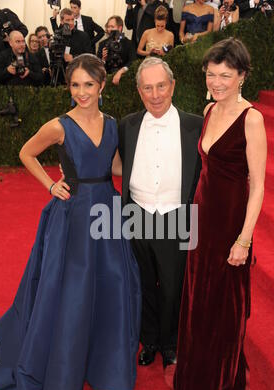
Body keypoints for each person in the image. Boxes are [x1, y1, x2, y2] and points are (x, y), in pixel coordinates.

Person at [0, 54, 141, 390]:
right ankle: (64, 368)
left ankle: (104, 363)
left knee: (112, 282)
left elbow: (115, 165)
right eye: (75, 85)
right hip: (73, 214)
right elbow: (26, 152)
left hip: (106, 210)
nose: (81, 92)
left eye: (88, 85)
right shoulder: (60, 125)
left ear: (102, 86)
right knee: (72, 290)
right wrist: (50, 184)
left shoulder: (111, 124)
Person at [172, 38, 267, 390]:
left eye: (225, 75)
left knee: (223, 304)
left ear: (242, 76)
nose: (216, 82)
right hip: (201, 217)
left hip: (230, 224)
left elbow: (258, 184)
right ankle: (194, 375)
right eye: (211, 74)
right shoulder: (210, 110)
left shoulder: (253, 118)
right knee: (197, 297)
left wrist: (244, 239)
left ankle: (218, 382)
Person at [118, 57, 202, 369]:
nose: (155, 95)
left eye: (161, 86)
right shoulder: (127, 125)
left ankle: (170, 343)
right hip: (136, 214)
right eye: (148, 88)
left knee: (172, 286)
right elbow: (116, 164)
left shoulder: (195, 125)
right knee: (142, 282)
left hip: (177, 216)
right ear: (139, 91)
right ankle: (149, 340)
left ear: (173, 86)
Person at [97, 16, 136, 86]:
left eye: (112, 27)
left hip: (124, 80)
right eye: (108, 27)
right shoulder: (102, 44)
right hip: (106, 81)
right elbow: (97, 65)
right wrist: (103, 59)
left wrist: (121, 71)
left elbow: (133, 61)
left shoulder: (129, 44)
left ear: (120, 28)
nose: (109, 29)